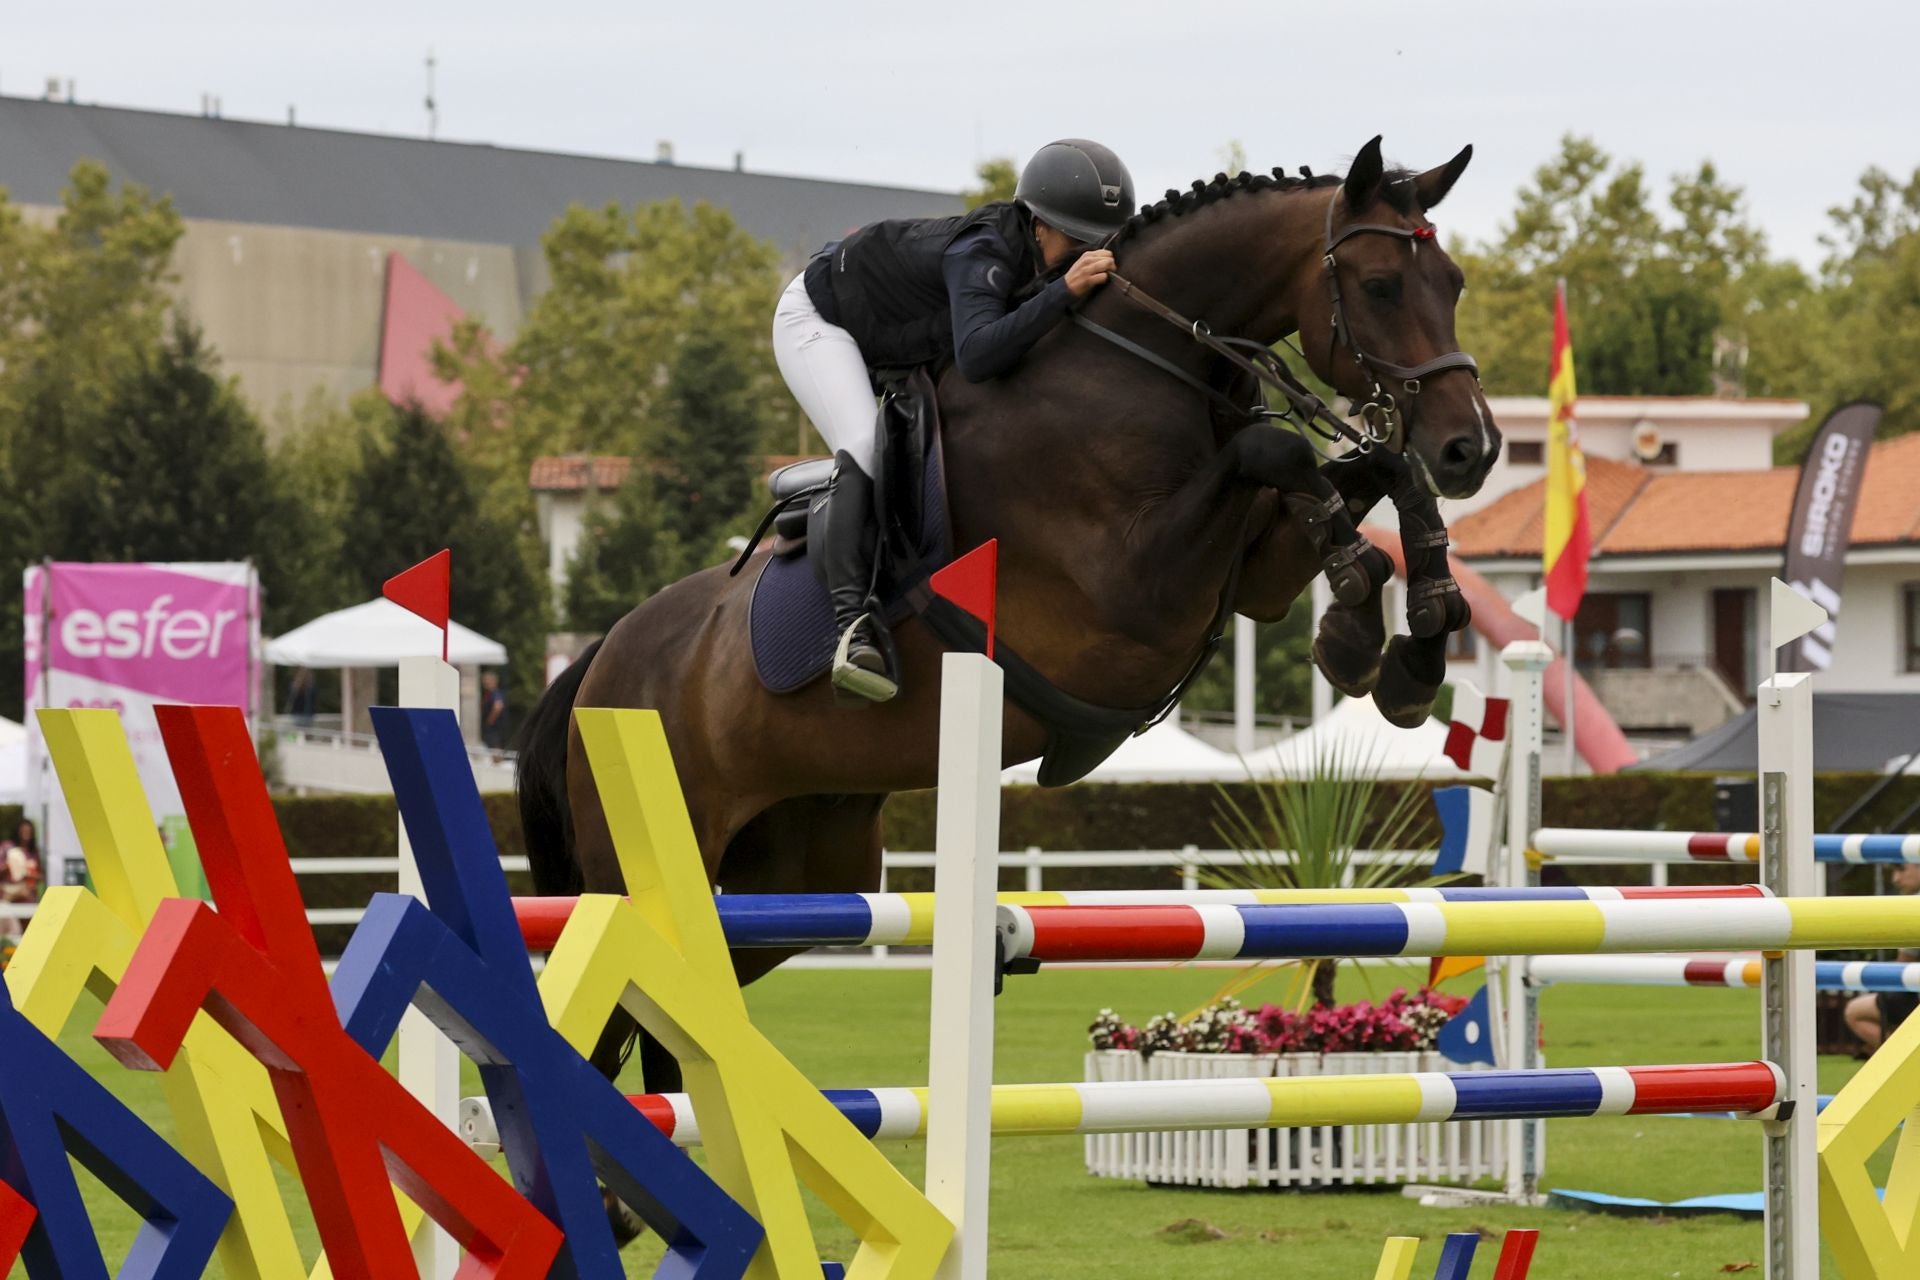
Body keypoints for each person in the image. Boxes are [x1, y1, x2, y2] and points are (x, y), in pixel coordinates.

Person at [772, 139, 1135, 703]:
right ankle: (853, 626)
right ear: (1037, 226)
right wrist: (1063, 291)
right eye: (1077, 240)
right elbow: (980, 355)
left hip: (896, 332)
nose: (1086, 254)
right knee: (864, 444)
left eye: (1101, 243)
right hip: (820, 320)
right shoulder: (984, 250)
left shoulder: (1040, 255)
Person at [1845, 860, 1920, 1050]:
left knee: (1855, 1011)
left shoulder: (1913, 906)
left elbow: (1903, 965)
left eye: (1901, 869)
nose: (1896, 879)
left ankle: (1902, 1058)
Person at [1, 818, 41, 946]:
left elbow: (40, 875)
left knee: (29, 935)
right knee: (13, 932)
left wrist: (29, 874)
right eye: (23, 830)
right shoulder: (8, 848)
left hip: (28, 899)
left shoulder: (33, 852)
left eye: (28, 831)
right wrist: (9, 866)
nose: (26, 833)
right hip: (9, 898)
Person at [481, 671, 509, 751]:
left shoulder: (495, 693)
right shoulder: (490, 693)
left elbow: (498, 706)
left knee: (495, 749)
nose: (485, 682)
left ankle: (498, 763)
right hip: (494, 729)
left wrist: (490, 721)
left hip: (495, 729)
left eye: (487, 680)